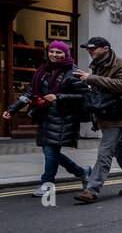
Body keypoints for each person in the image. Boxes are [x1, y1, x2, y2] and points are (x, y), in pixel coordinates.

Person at [2, 40, 89, 197]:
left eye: (59, 52)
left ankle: (47, 185)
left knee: (50, 152)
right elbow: (29, 93)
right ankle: (82, 172)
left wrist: (58, 96)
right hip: (45, 117)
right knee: (51, 153)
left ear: (66, 54)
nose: (54, 55)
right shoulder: (43, 71)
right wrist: (12, 109)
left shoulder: (73, 72)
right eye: (52, 51)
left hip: (63, 119)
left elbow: (85, 96)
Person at [73, 36, 122, 203]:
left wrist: (91, 78)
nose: (90, 51)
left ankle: (92, 189)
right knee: (120, 151)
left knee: (105, 151)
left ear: (105, 48)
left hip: (119, 114)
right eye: (88, 49)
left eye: (93, 48)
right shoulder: (98, 65)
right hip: (106, 113)